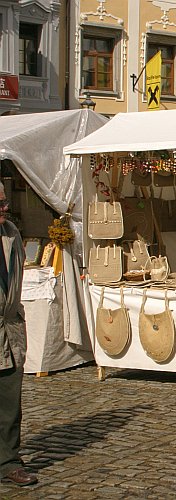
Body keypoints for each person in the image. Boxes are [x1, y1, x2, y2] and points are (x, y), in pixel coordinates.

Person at [0, 184, 36, 486]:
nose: (4, 208)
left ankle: (9, 460)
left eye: (4, 202)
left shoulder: (11, 233)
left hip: (8, 329)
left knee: (10, 402)